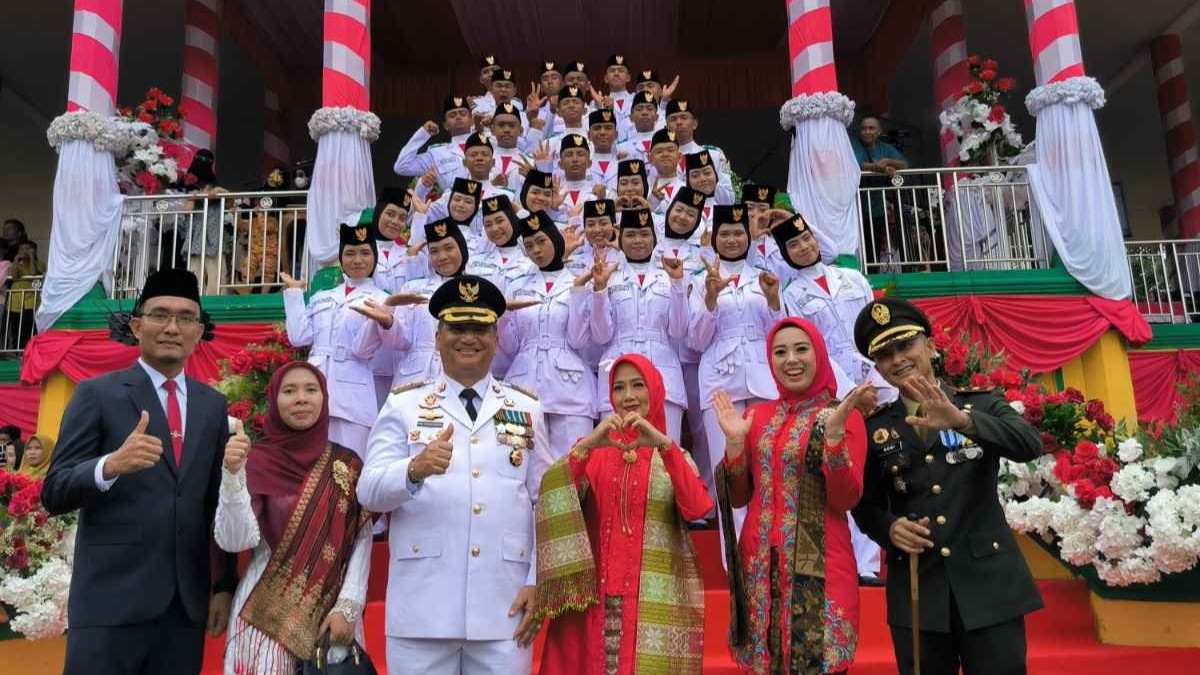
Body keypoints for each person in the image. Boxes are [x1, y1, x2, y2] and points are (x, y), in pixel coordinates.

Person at [41, 268, 236, 675]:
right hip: (110, 603)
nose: (172, 327)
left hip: (183, 609)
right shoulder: (97, 394)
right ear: (136, 325)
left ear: (198, 331)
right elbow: (54, 490)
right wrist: (109, 465)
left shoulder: (212, 405)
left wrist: (223, 585)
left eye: (185, 318)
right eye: (160, 314)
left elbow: (214, 503)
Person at [357, 275, 551, 675]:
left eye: (480, 329)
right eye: (457, 328)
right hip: (423, 607)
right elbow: (368, 491)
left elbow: (545, 501)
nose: (469, 339)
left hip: (505, 603)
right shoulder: (404, 404)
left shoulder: (526, 408)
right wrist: (413, 470)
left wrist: (538, 578)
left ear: (496, 339)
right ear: (437, 338)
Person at [849, 298, 1044, 675]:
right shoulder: (875, 428)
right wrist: (889, 528)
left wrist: (962, 421)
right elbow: (864, 504)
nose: (897, 359)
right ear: (878, 367)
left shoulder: (980, 404)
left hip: (989, 585)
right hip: (919, 589)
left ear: (930, 345)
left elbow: (1028, 445)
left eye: (905, 345)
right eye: (885, 354)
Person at [534, 354, 712, 674]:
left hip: (648, 602)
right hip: (594, 602)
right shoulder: (591, 451)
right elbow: (553, 495)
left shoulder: (674, 455)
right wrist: (586, 446)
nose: (628, 396)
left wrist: (664, 446)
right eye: (618, 388)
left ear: (655, 390)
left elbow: (698, 507)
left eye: (637, 385)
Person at [713, 316, 870, 674]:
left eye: (801, 349)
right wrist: (735, 444)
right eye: (780, 352)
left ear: (819, 354)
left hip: (822, 568)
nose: (791, 360)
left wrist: (833, 440)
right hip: (759, 569)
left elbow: (846, 499)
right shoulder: (756, 415)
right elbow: (738, 498)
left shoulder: (842, 416)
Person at [215, 362, 372, 674]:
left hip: (334, 616)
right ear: (274, 400)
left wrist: (348, 606)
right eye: (289, 391)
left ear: (324, 398)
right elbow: (235, 542)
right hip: (263, 615)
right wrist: (232, 475)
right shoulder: (253, 460)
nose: (301, 398)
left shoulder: (347, 463)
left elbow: (361, 539)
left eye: (311, 390)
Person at [687, 204, 782, 498]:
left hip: (764, 377)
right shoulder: (699, 280)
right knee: (727, 468)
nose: (732, 240)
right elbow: (696, 342)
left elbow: (781, 334)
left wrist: (774, 301)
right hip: (720, 379)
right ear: (714, 238)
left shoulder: (765, 277)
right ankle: (732, 531)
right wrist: (711, 299)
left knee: (768, 464)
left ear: (748, 237)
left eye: (738, 233)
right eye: (724, 234)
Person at [281, 223, 390, 456]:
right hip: (315, 386)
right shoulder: (323, 297)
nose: (357, 260)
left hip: (354, 393)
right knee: (313, 462)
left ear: (374, 257)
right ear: (341, 258)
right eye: (350, 253)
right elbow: (299, 337)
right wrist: (294, 294)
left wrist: (377, 319)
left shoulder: (381, 300)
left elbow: (363, 351)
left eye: (365, 253)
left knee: (351, 463)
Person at [587, 208, 689, 442]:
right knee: (617, 452)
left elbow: (678, 330)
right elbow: (601, 335)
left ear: (654, 237)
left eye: (644, 234)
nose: (638, 241)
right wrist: (599, 290)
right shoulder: (608, 274)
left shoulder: (671, 273)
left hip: (663, 371)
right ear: (620, 237)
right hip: (617, 370)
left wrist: (677, 284)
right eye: (631, 234)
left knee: (665, 450)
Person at [499, 211, 595, 459]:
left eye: (541, 241)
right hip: (523, 382)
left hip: (571, 386)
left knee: (572, 464)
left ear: (555, 238)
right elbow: (509, 347)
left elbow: (578, 340)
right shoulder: (517, 285)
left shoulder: (579, 281)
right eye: (529, 245)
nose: (536, 250)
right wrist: (504, 315)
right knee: (520, 461)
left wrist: (577, 292)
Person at [851, 114, 909, 266]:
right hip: (855, 205)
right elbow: (856, 163)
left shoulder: (885, 148)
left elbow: (904, 164)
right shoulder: (854, 144)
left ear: (878, 131)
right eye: (864, 128)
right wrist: (878, 167)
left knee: (873, 244)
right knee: (856, 244)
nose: (867, 131)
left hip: (877, 206)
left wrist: (888, 161)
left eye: (871, 128)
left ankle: (872, 274)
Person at [394, 96, 477, 192]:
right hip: (456, 200)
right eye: (452, 115)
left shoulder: (488, 143)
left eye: (462, 113)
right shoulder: (437, 153)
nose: (458, 117)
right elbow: (402, 167)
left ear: (472, 120)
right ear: (445, 126)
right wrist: (423, 134)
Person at [182, 150, 230, 295]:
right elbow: (187, 209)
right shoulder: (188, 183)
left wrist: (211, 193)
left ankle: (216, 303)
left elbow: (227, 198)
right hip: (196, 235)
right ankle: (194, 300)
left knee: (216, 275)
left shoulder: (215, 184)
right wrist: (199, 196)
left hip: (213, 235)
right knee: (194, 274)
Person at [5, 239, 43, 350]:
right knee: (16, 326)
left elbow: (33, 273)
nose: (23, 251)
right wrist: (16, 261)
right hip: (16, 299)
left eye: (27, 249)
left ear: (33, 250)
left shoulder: (40, 264)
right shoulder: (16, 265)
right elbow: (14, 276)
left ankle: (30, 349)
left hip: (31, 299)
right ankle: (18, 350)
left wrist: (31, 257)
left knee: (29, 325)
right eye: (21, 249)